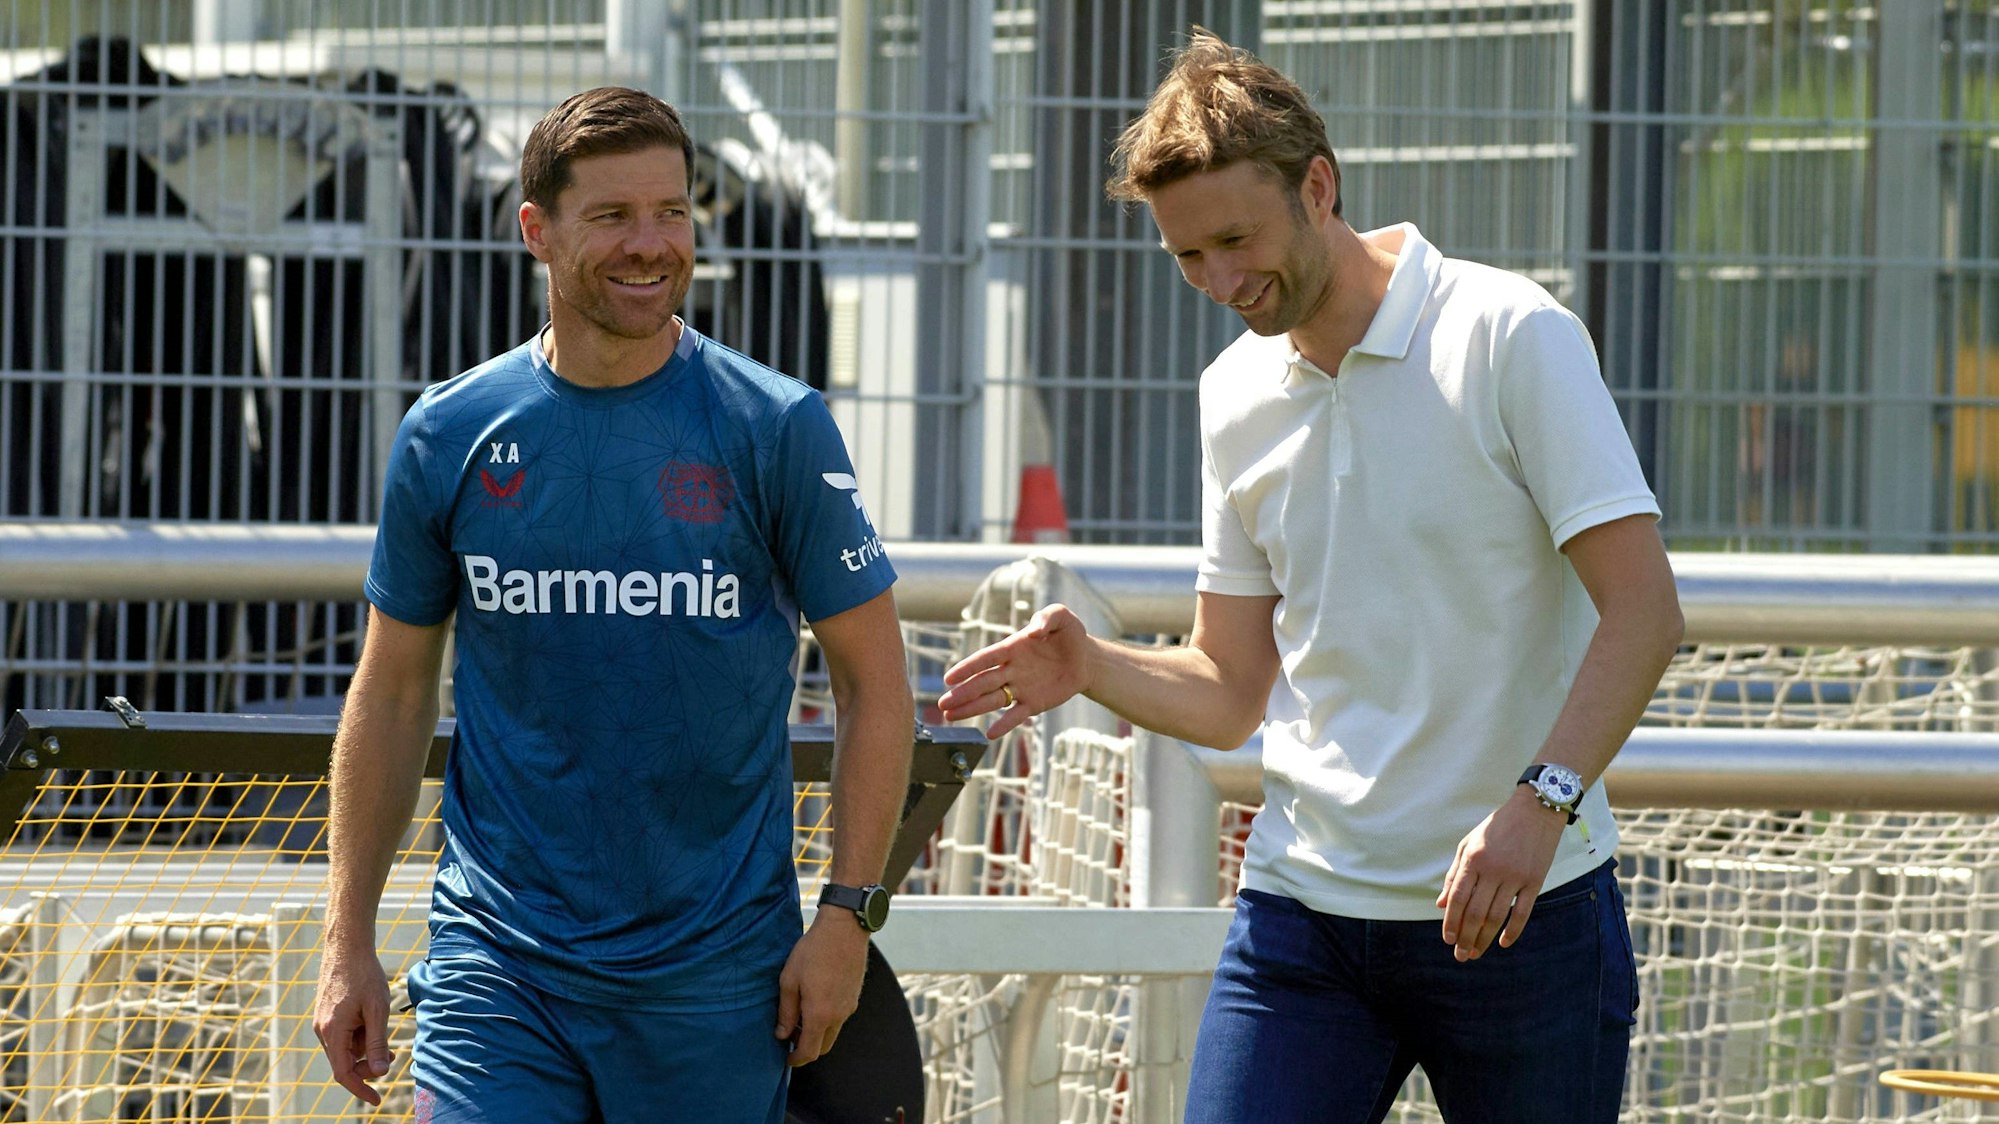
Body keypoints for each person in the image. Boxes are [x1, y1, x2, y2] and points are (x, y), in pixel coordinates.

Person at [940, 30, 1683, 1124]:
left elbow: (1645, 611)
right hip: (1302, 921)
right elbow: (1229, 686)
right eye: (1189, 257)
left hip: (1526, 911)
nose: (1222, 282)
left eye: (1236, 238)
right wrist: (1091, 662)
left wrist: (1540, 805)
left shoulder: (1508, 332)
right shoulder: (1234, 392)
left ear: (1318, 186)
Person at [312, 86, 915, 1124]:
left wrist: (846, 915)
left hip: (717, 979)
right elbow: (394, 690)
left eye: (673, 212)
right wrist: (346, 937)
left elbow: (875, 682)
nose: (652, 245)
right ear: (536, 231)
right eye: (613, 217)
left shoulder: (777, 425)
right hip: (498, 969)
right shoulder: (448, 433)